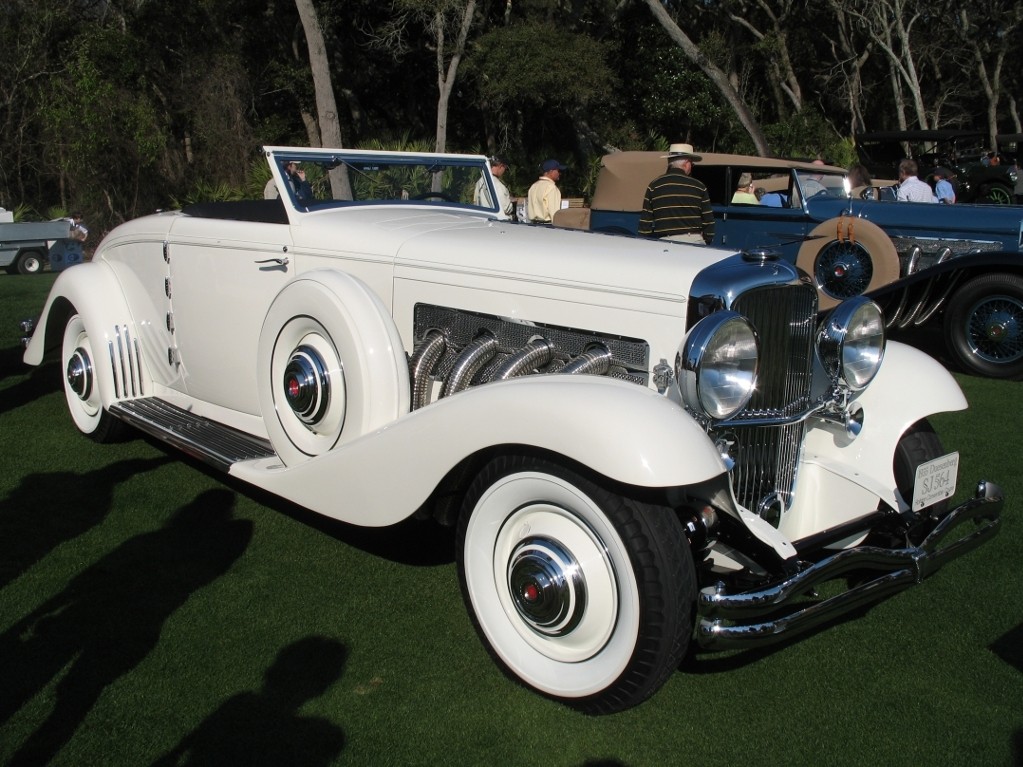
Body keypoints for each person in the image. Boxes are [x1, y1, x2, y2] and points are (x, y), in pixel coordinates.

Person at [637, 143, 714, 244]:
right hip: (694, 241)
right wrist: (707, 240)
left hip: (664, 242)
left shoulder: (654, 186)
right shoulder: (699, 186)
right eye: (692, 164)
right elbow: (709, 221)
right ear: (687, 163)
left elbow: (645, 224)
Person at [526, 159, 566, 224]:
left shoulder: (533, 186)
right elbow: (554, 213)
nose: (559, 173)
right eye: (558, 171)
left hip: (533, 225)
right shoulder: (551, 188)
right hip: (547, 226)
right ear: (551, 171)